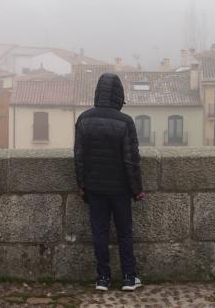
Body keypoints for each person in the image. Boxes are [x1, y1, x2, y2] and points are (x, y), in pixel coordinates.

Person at [73, 72, 145, 291]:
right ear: (119, 95)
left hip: (95, 187)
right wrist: (137, 189)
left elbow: (79, 157)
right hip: (120, 189)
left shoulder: (84, 119)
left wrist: (82, 184)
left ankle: (102, 278)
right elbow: (131, 159)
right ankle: (129, 278)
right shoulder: (125, 122)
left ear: (97, 93)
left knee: (99, 233)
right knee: (124, 233)